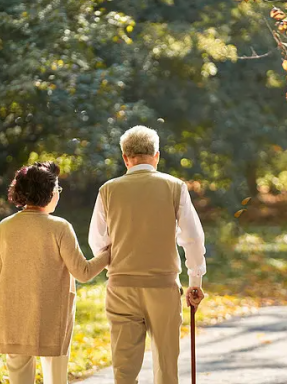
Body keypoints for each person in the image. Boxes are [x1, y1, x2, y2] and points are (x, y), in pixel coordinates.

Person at [89, 125, 207, 384]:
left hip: (121, 288)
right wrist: (195, 281)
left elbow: (98, 242)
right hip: (162, 288)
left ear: (125, 158)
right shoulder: (174, 187)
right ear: (157, 156)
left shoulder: (108, 190)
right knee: (166, 366)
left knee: (124, 369)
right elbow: (193, 238)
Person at [0, 161, 110, 384]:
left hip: (13, 314)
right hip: (52, 315)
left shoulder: (4, 227)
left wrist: (2, 307)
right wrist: (109, 254)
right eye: (57, 190)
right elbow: (83, 272)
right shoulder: (60, 227)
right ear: (49, 193)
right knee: (56, 376)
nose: (58, 194)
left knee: (19, 377)